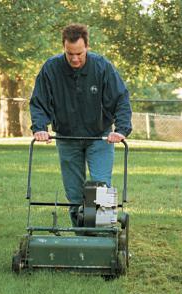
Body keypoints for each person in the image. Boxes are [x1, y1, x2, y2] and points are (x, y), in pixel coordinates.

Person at [30, 23, 132, 226]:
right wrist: (40, 128)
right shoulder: (51, 68)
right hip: (67, 138)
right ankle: (80, 240)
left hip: (99, 137)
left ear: (87, 47)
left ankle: (102, 237)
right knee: (74, 193)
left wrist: (121, 130)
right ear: (64, 48)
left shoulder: (102, 67)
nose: (75, 58)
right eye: (70, 54)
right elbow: (39, 101)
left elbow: (121, 98)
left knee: (101, 186)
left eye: (79, 53)